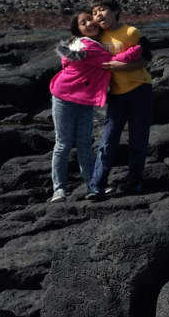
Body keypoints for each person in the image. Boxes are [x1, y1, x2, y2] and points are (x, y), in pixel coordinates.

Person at [47, 11, 142, 202]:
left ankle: (93, 185)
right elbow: (110, 61)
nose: (90, 23)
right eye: (84, 22)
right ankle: (59, 189)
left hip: (85, 99)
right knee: (63, 143)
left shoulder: (91, 43)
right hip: (64, 96)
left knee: (83, 144)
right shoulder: (86, 45)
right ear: (78, 29)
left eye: (90, 19)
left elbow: (71, 59)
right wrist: (137, 50)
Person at [88, 0, 154, 198]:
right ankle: (96, 186)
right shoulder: (97, 38)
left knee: (138, 140)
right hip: (116, 95)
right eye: (94, 12)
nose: (98, 14)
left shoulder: (131, 32)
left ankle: (134, 183)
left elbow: (145, 60)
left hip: (140, 90)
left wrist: (121, 66)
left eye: (102, 9)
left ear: (116, 11)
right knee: (107, 140)